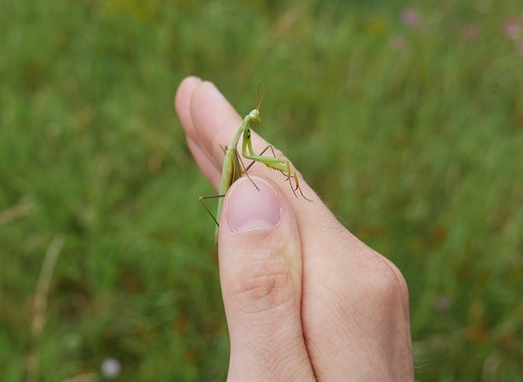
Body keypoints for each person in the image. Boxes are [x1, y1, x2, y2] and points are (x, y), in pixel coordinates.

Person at [175, 77, 414, 381]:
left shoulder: (241, 143)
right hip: (229, 196)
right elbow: (247, 159)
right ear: (248, 122)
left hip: (237, 166)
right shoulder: (236, 147)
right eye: (254, 117)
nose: (256, 118)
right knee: (215, 193)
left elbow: (247, 156)